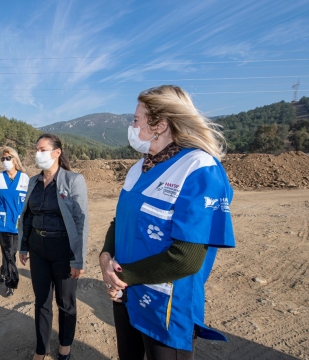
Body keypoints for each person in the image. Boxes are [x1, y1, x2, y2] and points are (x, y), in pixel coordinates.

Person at [99, 85, 235, 360]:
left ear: (159, 125)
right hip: (125, 295)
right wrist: (105, 256)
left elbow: (187, 258)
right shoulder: (138, 168)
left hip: (165, 305)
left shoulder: (198, 168)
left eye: (136, 120)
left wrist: (120, 277)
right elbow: (119, 221)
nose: (131, 126)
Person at [18, 134, 89, 360]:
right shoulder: (33, 182)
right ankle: (41, 348)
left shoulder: (73, 180)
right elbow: (27, 216)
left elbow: (81, 222)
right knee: (42, 301)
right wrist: (23, 246)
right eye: (36, 150)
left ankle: (65, 347)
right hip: (38, 247)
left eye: (43, 149)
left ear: (57, 152)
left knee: (65, 302)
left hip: (63, 249)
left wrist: (78, 259)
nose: (38, 154)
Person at [0, 146, 30, 297]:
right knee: (9, 252)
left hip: (18, 223)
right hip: (1, 222)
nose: (5, 161)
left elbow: (28, 203)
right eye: (2, 159)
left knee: (11, 251)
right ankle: (11, 282)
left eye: (8, 158)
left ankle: (3, 270)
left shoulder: (25, 179)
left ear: (15, 159)